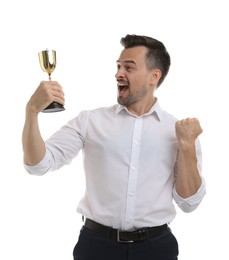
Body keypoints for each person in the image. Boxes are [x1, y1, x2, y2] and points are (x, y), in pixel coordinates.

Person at [22, 34, 206, 260]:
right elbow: (38, 164)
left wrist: (186, 146)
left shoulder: (179, 131)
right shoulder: (90, 121)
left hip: (156, 249)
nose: (118, 73)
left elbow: (189, 203)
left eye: (129, 67)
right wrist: (31, 112)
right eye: (118, 66)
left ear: (154, 76)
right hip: (96, 247)